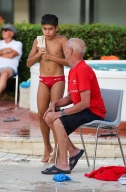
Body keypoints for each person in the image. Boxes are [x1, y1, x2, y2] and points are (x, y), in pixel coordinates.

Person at [41, 38, 106, 174]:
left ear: (70, 51)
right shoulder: (73, 70)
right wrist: (55, 104)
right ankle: (73, 151)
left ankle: (63, 164)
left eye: (65, 49)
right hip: (83, 109)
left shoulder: (83, 70)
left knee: (58, 121)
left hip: (93, 111)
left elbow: (85, 103)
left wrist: (61, 113)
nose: (63, 52)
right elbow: (71, 97)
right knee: (48, 117)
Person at [27, 14, 68, 163]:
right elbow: (28, 63)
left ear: (57, 28)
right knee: (41, 114)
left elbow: (69, 61)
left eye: (50, 29)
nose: (47, 32)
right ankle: (47, 146)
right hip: (43, 80)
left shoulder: (62, 40)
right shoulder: (39, 41)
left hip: (58, 79)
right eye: (44, 29)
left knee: (53, 114)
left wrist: (51, 57)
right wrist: (38, 54)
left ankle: (57, 148)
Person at [0, 24, 23, 102]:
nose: (3, 31)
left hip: (9, 67)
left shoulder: (17, 44)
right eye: (2, 30)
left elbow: (11, 55)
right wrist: (4, 50)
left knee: (5, 73)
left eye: (5, 30)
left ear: (12, 33)